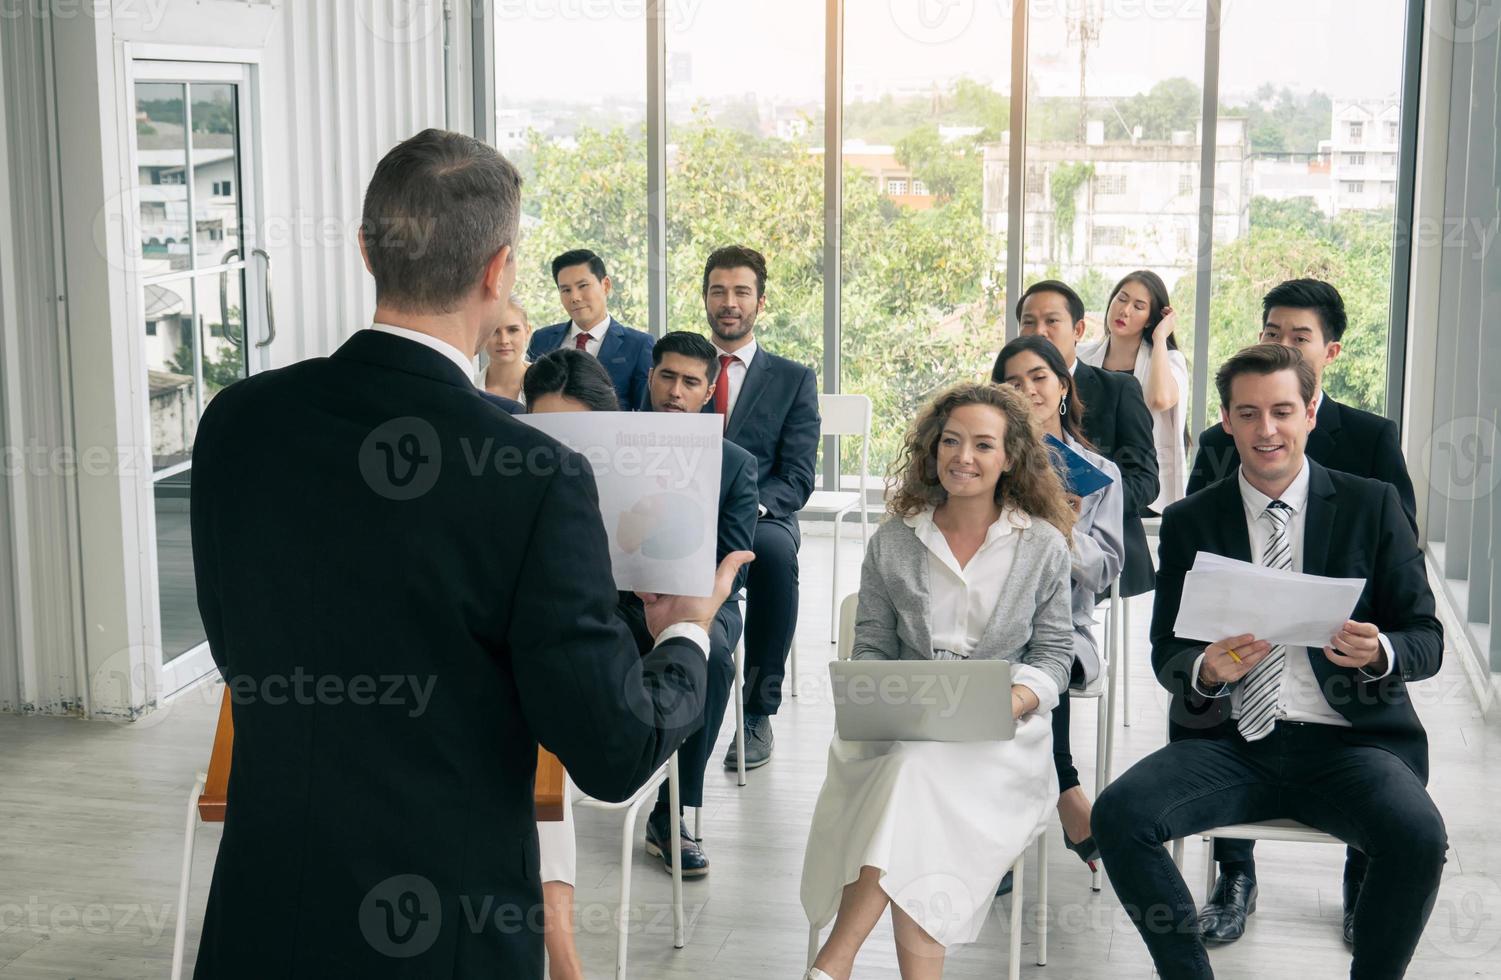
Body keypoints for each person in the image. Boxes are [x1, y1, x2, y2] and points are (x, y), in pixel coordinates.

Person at [187, 128, 749, 978]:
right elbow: (610, 748)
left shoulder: (237, 420)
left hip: (267, 908)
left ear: (368, 249)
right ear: (499, 271)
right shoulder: (536, 476)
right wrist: (684, 633)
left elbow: (236, 643)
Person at [1091, 343, 1446, 980]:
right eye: (1248, 413)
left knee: (1418, 836)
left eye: (1283, 410)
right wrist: (1205, 670)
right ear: (1226, 420)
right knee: (1119, 814)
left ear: (1311, 411)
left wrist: (1380, 651)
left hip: (1352, 745)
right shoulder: (1190, 520)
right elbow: (1166, 653)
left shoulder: (1373, 505)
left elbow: (1426, 638)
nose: (1267, 429)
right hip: (1232, 742)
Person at [800, 381, 1074, 980]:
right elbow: (870, 646)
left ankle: (832, 963)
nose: (964, 457)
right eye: (951, 441)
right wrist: (882, 696)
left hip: (1000, 737)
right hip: (904, 725)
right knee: (912, 770)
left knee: (912, 779)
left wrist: (1015, 699)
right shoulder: (896, 538)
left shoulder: (1043, 545)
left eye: (982, 444)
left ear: (1010, 458)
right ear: (932, 449)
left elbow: (1056, 654)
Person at [1184, 278, 1420, 946]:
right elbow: (1199, 540)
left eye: (1299, 337)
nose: (1282, 344)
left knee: (1367, 736)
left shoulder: (1368, 437)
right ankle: (1233, 878)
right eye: (1271, 333)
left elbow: (1399, 547)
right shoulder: (1218, 435)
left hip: (1341, 640)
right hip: (1246, 635)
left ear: (1331, 351)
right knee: (1223, 717)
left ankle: (1361, 881)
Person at [996, 335, 1124, 879]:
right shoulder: (984, 461)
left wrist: (1064, 532)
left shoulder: (1100, 474)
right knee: (998, 662)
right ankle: (1065, 789)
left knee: (1038, 662)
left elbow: (1108, 570)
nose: (1027, 391)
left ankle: (1006, 829)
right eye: (1012, 382)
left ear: (1064, 387)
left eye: (1039, 378)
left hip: (1066, 628)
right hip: (990, 623)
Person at [638, 332, 759, 876]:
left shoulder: (734, 465)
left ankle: (670, 811)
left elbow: (729, 562)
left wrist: (686, 603)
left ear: (709, 390)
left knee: (711, 656)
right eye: (667, 376)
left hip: (703, 599)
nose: (675, 391)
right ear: (651, 377)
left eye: (691, 382)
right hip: (621, 599)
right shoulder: (616, 443)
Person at [697, 245, 821, 771]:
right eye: (719, 291)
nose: (729, 302)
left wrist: (748, 512)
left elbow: (797, 476)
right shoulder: (678, 366)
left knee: (772, 555)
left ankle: (756, 711)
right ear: (705, 298)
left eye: (741, 292)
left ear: (760, 302)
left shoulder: (792, 378)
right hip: (683, 509)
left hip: (761, 517)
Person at [997, 279, 1159, 598]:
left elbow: (1145, 480)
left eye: (1051, 321)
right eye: (1029, 322)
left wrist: (1093, 503)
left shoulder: (1118, 389)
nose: (1039, 331)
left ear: (1078, 329)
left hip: (1092, 540)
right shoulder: (999, 403)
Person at [1077, 270, 1189, 515]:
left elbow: (1160, 399)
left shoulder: (1169, 360)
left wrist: (1160, 338)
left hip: (1142, 491)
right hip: (1088, 486)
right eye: (1122, 298)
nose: (1124, 310)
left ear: (1150, 319)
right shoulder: (1082, 356)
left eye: (1138, 306)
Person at [526, 248, 654, 410]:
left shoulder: (638, 345)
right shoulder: (542, 339)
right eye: (566, 290)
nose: (575, 297)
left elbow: (644, 409)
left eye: (583, 286)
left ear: (606, 285)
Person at [479, 296, 531, 405]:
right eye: (494, 331)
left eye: (512, 330)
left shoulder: (553, 386)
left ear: (527, 332)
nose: (503, 341)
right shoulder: (468, 387)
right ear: (482, 334)